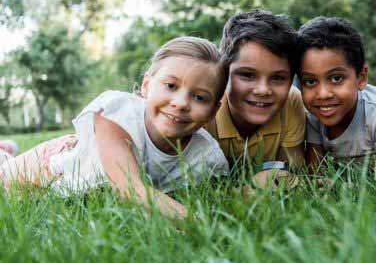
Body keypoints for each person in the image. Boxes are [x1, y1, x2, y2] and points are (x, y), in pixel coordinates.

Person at [0, 37, 229, 219]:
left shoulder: (207, 157)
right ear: (147, 85)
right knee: (4, 173)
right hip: (51, 166)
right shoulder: (118, 112)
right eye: (170, 85)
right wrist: (200, 223)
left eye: (199, 97)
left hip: (90, 173)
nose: (180, 102)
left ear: (214, 109)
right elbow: (129, 189)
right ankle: (6, 153)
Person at [204, 10, 306, 182]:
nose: (263, 90)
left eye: (278, 78)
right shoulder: (203, 107)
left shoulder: (291, 100)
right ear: (224, 72)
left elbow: (290, 173)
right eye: (247, 75)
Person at [296, 16, 376, 167]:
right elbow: (315, 174)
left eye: (336, 78)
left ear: (361, 78)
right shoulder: (312, 114)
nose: (323, 94)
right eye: (310, 81)